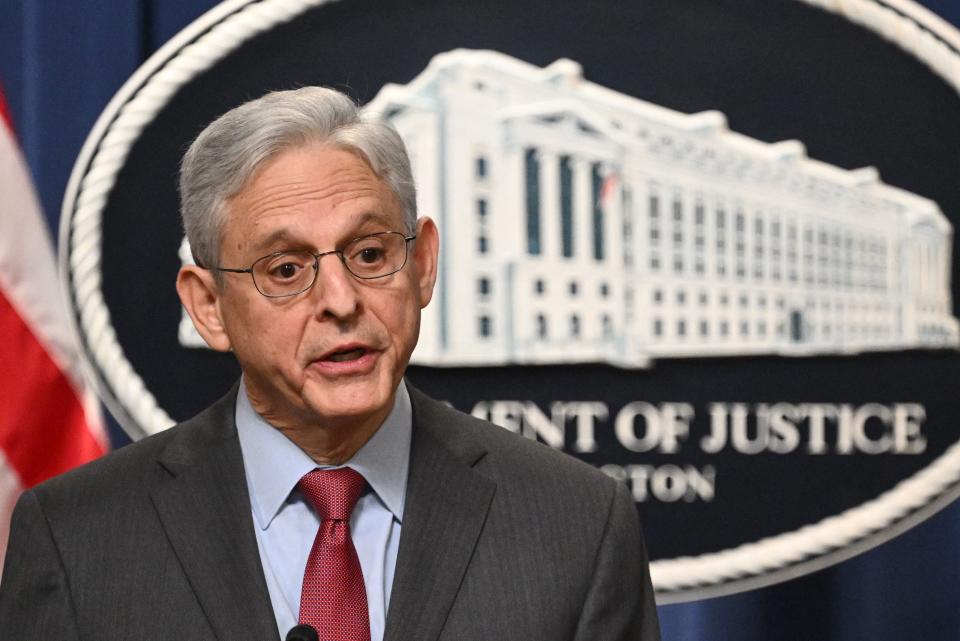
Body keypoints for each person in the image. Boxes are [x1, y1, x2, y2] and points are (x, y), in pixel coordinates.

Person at [0, 87, 661, 640]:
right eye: (286, 269)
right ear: (208, 306)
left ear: (423, 263)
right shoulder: (76, 538)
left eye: (370, 254)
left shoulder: (576, 525)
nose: (340, 301)